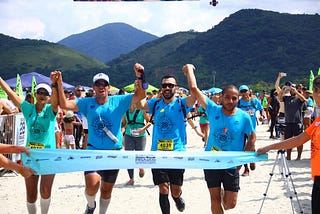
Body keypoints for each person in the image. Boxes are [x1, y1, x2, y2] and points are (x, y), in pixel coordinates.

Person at [55, 63, 146, 214]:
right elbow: (64, 104)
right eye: (98, 84)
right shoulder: (86, 102)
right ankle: (91, 205)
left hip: (113, 153)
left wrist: (140, 76)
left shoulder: (118, 101)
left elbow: (141, 95)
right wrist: (58, 83)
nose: (101, 86)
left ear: (108, 87)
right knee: (91, 186)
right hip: (93, 150)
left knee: (106, 192)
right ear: (94, 87)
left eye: (104, 84)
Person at [182, 64, 255, 214]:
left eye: (234, 98)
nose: (230, 101)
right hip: (211, 161)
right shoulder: (213, 109)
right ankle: (218, 194)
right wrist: (189, 70)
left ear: (238, 99)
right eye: (227, 97)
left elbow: (252, 138)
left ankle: (224, 194)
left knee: (230, 204)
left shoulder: (244, 117)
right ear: (222, 97)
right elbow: (195, 90)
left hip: (231, 164)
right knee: (214, 200)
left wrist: (243, 159)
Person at [257, 76, 320, 214]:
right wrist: (270, 147)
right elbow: (298, 140)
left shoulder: (301, 101)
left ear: (317, 92)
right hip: (317, 178)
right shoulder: (317, 121)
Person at [136, 74, 197, 214]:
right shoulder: (156, 104)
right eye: (164, 85)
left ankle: (177, 198)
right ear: (161, 88)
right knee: (163, 187)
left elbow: (194, 95)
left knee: (175, 190)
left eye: (170, 85)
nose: (167, 88)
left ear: (176, 87)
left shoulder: (182, 103)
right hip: (157, 153)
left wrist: (188, 73)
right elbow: (140, 104)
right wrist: (141, 81)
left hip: (177, 153)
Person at [0, 76, 59, 214]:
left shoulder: (51, 110)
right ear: (35, 94)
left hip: (48, 156)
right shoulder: (28, 108)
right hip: (30, 154)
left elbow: (57, 102)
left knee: (45, 191)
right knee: (31, 195)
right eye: (40, 92)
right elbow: (11, 93)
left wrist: (56, 84)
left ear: (49, 96)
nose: (42, 95)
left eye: (46, 93)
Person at [121, 104, 151, 186]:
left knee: (139, 156)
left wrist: (143, 129)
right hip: (128, 135)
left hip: (141, 136)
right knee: (128, 156)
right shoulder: (125, 112)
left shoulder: (142, 111)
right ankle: (131, 178)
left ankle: (141, 167)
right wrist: (121, 131)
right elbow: (123, 124)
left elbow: (149, 122)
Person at [237, 84, 263, 176]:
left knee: (251, 145)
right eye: (242, 92)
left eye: (245, 91)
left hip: (252, 129)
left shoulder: (255, 101)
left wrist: (261, 116)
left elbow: (261, 110)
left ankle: (252, 158)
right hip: (241, 129)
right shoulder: (238, 103)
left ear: (249, 91)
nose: (244, 93)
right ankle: (246, 169)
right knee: (243, 148)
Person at [279, 82, 307, 160]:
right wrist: (282, 90)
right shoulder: (286, 98)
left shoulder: (299, 98)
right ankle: (288, 156)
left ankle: (299, 156)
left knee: (299, 140)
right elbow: (279, 98)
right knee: (288, 140)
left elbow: (303, 99)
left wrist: (296, 92)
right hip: (288, 122)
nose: (291, 90)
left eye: (293, 88)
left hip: (297, 122)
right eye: (290, 88)